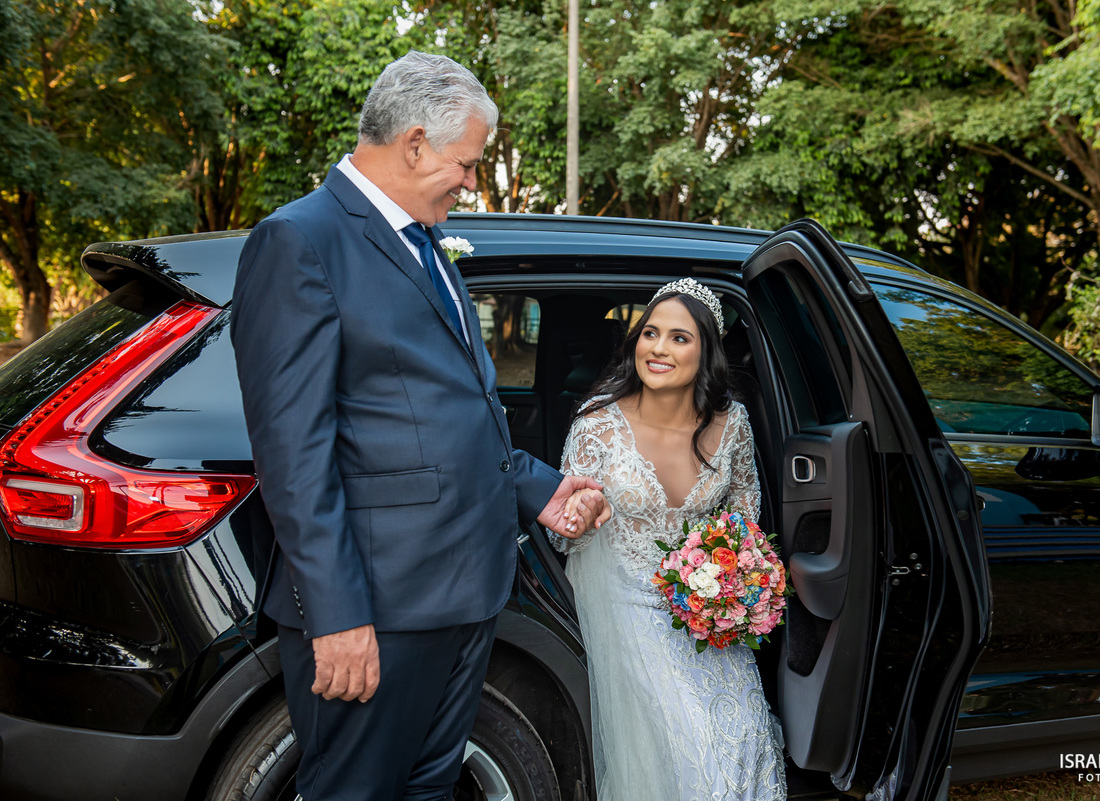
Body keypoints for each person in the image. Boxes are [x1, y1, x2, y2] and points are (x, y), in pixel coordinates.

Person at [230, 52, 609, 801]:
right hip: (377, 608)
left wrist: (538, 487)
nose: (470, 181)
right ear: (412, 145)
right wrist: (338, 616)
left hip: (462, 595)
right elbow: (294, 455)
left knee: (430, 789)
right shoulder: (300, 241)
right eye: (464, 163)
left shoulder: (425, 244)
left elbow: (444, 410)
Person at [556, 278, 786, 800]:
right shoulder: (596, 424)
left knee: (744, 732)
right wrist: (577, 516)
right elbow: (564, 536)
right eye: (650, 333)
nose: (658, 348)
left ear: (706, 353)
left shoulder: (733, 424)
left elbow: (744, 525)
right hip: (621, 597)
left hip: (705, 609)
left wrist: (736, 583)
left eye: (679, 338)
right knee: (690, 744)